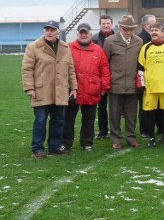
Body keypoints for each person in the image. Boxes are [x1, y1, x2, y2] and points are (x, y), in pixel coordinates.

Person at [22, 20, 78, 158]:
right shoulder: (33, 47)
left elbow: (71, 69)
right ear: (44, 31)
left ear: (58, 32)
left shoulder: (65, 47)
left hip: (60, 91)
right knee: (40, 120)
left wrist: (74, 87)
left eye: (52, 30)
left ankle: (54, 147)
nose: (49, 32)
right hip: (41, 91)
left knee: (58, 120)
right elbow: (27, 69)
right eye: (47, 29)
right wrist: (30, 88)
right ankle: (37, 149)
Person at [62, 23, 110, 152]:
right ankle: (66, 143)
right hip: (72, 90)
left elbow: (104, 69)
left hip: (91, 90)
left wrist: (104, 88)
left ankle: (87, 143)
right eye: (81, 33)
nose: (83, 35)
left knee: (88, 119)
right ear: (77, 34)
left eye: (86, 33)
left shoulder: (98, 50)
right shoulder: (68, 48)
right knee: (68, 119)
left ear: (90, 34)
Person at [137, 23, 164, 147]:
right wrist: (141, 84)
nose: (154, 32)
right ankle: (152, 138)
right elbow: (140, 68)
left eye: (157, 30)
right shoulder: (145, 48)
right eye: (152, 30)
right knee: (149, 113)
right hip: (150, 89)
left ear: (163, 33)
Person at [103, 15, 143, 149]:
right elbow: (104, 63)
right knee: (114, 114)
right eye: (126, 29)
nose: (128, 32)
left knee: (131, 114)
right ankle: (116, 139)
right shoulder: (109, 41)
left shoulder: (139, 41)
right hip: (116, 84)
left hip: (132, 85)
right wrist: (108, 82)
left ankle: (131, 138)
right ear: (120, 27)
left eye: (131, 29)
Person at [92, 14, 115, 140]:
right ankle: (102, 131)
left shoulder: (118, 38)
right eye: (103, 24)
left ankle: (115, 130)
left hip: (115, 76)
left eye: (108, 23)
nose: (106, 26)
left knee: (115, 106)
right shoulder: (94, 39)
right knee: (101, 106)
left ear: (111, 24)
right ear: (100, 25)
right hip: (99, 78)